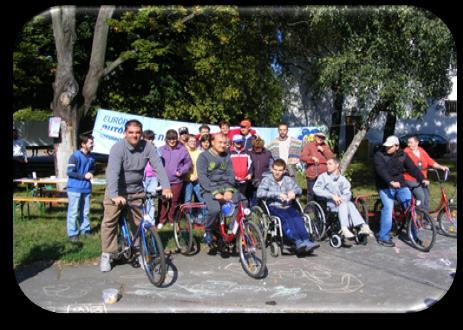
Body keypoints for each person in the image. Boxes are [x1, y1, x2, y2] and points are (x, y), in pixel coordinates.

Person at [100, 120, 172, 273]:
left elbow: (158, 166)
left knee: (138, 223)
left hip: (136, 190)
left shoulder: (148, 147)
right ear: (125, 133)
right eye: (131, 132)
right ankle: (107, 254)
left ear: (141, 133)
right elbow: (112, 172)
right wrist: (114, 195)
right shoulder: (118, 148)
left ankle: (140, 252)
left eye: (137, 132)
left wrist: (166, 187)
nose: (134, 135)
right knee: (110, 221)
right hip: (117, 190)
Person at [257, 159, 320, 254]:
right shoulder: (267, 180)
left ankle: (306, 240)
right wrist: (277, 194)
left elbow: (299, 189)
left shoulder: (287, 180)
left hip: (288, 205)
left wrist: (293, 192)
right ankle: (297, 241)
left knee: (297, 218)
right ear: (272, 169)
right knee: (286, 219)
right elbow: (259, 193)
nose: (277, 172)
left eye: (280, 170)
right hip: (274, 206)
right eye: (276, 170)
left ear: (284, 171)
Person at [374, 135, 427, 247]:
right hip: (385, 186)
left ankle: (413, 235)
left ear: (397, 146)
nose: (387, 148)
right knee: (388, 208)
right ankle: (383, 237)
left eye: (390, 146)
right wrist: (390, 182)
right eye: (386, 146)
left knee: (411, 208)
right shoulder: (379, 155)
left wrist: (422, 179)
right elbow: (381, 171)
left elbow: (412, 168)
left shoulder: (402, 155)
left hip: (400, 185)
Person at [197, 133, 242, 246]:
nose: (223, 145)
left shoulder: (227, 156)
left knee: (242, 201)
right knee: (214, 209)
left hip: (225, 186)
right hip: (209, 189)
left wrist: (228, 190)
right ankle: (208, 230)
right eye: (220, 142)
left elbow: (230, 174)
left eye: (225, 143)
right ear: (212, 142)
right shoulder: (203, 157)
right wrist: (215, 193)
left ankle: (232, 230)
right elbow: (202, 177)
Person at [313, 157, 374, 240]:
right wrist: (331, 196)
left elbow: (348, 193)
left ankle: (360, 226)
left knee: (348, 203)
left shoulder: (343, 179)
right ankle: (355, 226)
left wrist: (342, 198)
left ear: (337, 165)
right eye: (327, 164)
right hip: (330, 205)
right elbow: (316, 189)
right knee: (347, 204)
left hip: (342, 204)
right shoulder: (323, 177)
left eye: (330, 164)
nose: (327, 166)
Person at [403, 135, 449, 212]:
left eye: (411, 142)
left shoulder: (421, 150)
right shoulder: (406, 152)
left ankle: (425, 218)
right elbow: (411, 167)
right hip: (411, 179)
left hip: (423, 179)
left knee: (427, 198)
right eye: (408, 142)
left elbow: (429, 160)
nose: (408, 144)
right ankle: (416, 217)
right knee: (421, 197)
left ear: (417, 143)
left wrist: (441, 167)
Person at [158, 129, 192, 229]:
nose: (172, 141)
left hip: (177, 181)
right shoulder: (160, 149)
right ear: (166, 139)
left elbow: (188, 163)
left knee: (174, 202)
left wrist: (181, 171)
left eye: (174, 139)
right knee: (163, 201)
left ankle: (172, 219)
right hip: (164, 181)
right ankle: (161, 220)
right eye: (169, 139)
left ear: (177, 139)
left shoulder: (182, 149)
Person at [65, 134, 96, 242]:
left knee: (85, 212)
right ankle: (72, 233)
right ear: (83, 144)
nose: (92, 145)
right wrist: (84, 176)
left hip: (86, 188)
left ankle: (85, 230)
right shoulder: (75, 156)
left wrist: (91, 173)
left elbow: (92, 169)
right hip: (74, 188)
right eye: (90, 143)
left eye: (92, 143)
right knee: (73, 212)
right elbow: (69, 172)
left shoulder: (92, 157)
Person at [300, 131, 334, 202]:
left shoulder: (325, 146)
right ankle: (310, 208)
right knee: (311, 192)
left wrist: (323, 150)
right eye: (319, 136)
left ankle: (322, 208)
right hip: (311, 172)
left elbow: (331, 158)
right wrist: (311, 158)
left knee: (322, 191)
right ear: (315, 137)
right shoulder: (309, 145)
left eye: (322, 137)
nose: (320, 138)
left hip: (323, 173)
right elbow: (302, 157)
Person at [184, 134, 207, 222]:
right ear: (187, 142)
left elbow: (203, 166)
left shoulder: (199, 152)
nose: (193, 143)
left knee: (201, 199)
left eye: (194, 141)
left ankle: (203, 217)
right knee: (188, 200)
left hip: (198, 179)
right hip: (187, 180)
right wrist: (189, 177)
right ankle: (189, 218)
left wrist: (197, 176)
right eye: (191, 141)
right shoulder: (184, 151)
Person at [249, 137, 273, 207]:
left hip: (265, 179)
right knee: (254, 197)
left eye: (260, 147)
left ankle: (265, 209)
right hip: (253, 180)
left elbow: (272, 166)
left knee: (264, 197)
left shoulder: (268, 153)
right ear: (253, 146)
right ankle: (253, 210)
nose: (258, 149)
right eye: (256, 148)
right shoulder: (250, 153)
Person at [230, 134, 253, 204]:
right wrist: (233, 176)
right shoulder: (229, 153)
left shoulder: (246, 152)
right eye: (237, 142)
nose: (239, 144)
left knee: (243, 198)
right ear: (233, 142)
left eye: (240, 142)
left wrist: (250, 174)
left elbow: (250, 164)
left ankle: (243, 212)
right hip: (233, 181)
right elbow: (227, 167)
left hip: (244, 180)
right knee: (234, 198)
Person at [142, 130, 159, 221]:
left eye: (152, 139)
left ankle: (151, 221)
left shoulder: (155, 149)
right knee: (141, 199)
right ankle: (141, 220)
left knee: (151, 199)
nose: (150, 141)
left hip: (153, 177)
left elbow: (159, 160)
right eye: (148, 139)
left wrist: (154, 149)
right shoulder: (140, 148)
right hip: (143, 178)